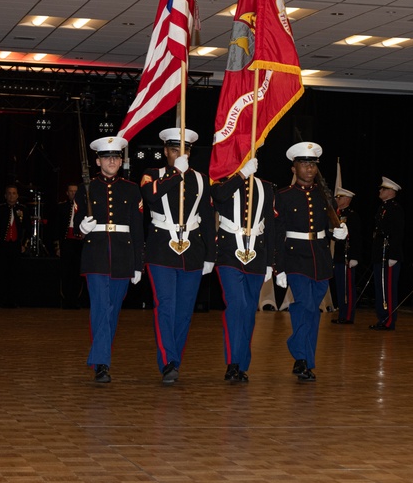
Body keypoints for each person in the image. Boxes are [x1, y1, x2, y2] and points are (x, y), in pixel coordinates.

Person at [140, 127, 216, 384]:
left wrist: (210, 255)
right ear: (165, 151)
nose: (179, 154)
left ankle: (175, 360)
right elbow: (150, 198)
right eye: (174, 150)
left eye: (184, 151)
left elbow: (207, 218)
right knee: (165, 306)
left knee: (184, 312)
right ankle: (167, 361)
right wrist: (175, 173)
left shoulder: (202, 179)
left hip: (192, 251)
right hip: (161, 249)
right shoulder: (153, 175)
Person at [273, 142, 347, 381]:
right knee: (305, 305)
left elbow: (331, 224)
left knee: (312, 311)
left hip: (321, 258)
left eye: (313, 164)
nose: (309, 169)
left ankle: (305, 360)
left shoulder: (324, 196)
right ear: (294, 168)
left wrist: (340, 233)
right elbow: (277, 233)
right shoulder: (283, 196)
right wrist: (279, 267)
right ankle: (301, 356)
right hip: (295, 258)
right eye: (304, 164)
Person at [75, 137, 144, 384]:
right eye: (107, 157)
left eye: (116, 157)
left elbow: (137, 228)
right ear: (97, 161)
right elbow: (74, 226)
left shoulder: (131, 188)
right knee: (101, 309)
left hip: (123, 256)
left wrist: (138, 263)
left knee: (112, 312)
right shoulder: (87, 187)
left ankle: (99, 357)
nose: (112, 161)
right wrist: (82, 227)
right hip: (96, 255)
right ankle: (103, 364)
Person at [210, 156, 275, 382]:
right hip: (229, 253)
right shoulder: (223, 183)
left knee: (248, 312)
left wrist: (270, 262)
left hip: (256, 255)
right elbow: (218, 197)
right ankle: (232, 363)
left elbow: (271, 226)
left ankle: (242, 364)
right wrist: (241, 175)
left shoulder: (266, 187)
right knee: (236, 306)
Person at [370, 177, 405, 331]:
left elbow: (397, 233)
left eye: (383, 189)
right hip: (380, 253)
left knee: (388, 289)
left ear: (391, 191)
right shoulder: (382, 208)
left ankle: (389, 319)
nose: (380, 191)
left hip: (389, 253)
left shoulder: (395, 208)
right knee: (380, 287)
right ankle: (382, 317)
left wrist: (394, 255)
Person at [0, 184, 28, 307]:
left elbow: (27, 228)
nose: (11, 196)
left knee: (15, 274)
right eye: (9, 193)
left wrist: (24, 244)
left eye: (14, 193)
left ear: (17, 195)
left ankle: (14, 300)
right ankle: (2, 300)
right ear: (5, 195)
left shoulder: (23, 209)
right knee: (3, 273)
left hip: (16, 245)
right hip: (3, 245)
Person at [52, 183, 85, 309]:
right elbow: (56, 228)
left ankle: (75, 299)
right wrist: (57, 247)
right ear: (67, 193)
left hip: (79, 243)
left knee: (77, 273)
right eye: (71, 191)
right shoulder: (61, 207)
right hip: (66, 243)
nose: (73, 193)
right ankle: (65, 299)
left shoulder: (84, 207)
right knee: (66, 272)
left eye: (75, 191)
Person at [331, 187, 360, 325]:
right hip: (338, 256)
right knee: (340, 287)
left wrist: (354, 256)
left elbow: (355, 237)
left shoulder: (352, 215)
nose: (337, 200)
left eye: (340, 197)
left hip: (348, 256)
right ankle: (342, 313)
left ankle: (348, 316)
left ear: (347, 199)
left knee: (348, 287)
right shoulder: (337, 214)